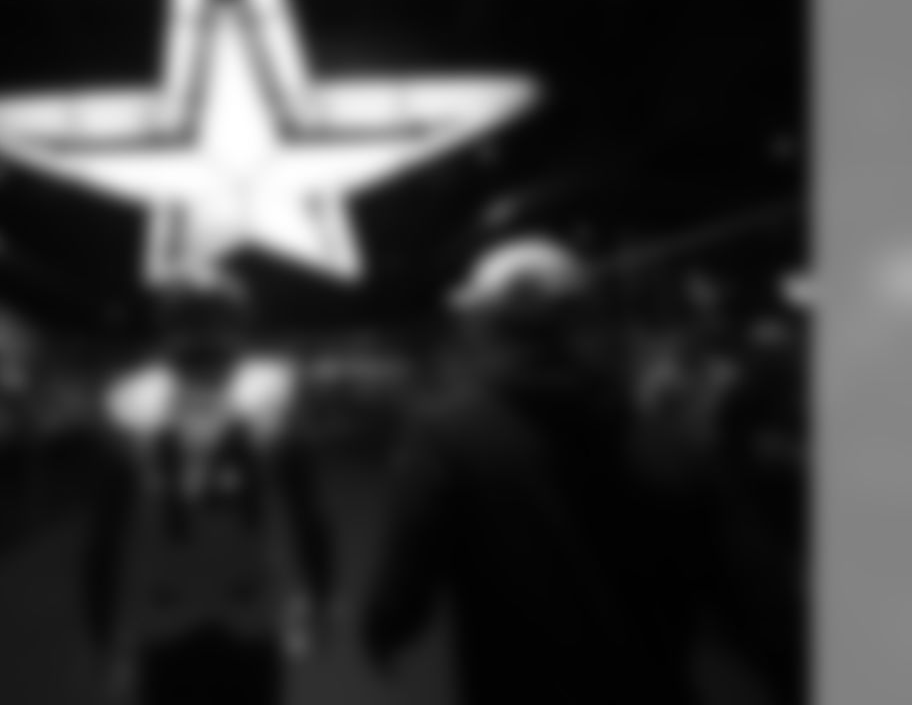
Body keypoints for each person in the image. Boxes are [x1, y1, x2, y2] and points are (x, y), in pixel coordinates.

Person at [359, 237, 694, 705]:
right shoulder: (647, 428)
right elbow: (738, 575)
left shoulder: (445, 436)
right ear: (578, 319)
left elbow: (408, 569)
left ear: (482, 327)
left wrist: (385, 628)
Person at [83, 272, 334, 705]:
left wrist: (103, 628)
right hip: (217, 614)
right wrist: (321, 593)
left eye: (208, 322)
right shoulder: (135, 406)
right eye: (194, 322)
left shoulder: (132, 405)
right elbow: (310, 517)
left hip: (208, 614)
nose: (203, 341)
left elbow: (103, 538)